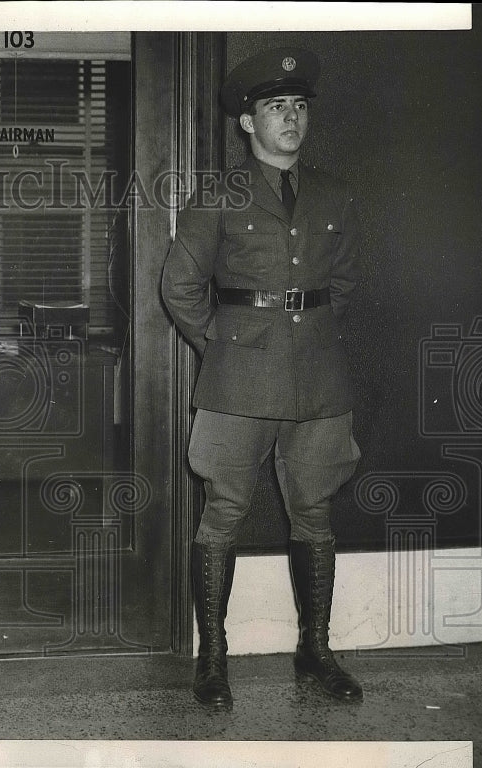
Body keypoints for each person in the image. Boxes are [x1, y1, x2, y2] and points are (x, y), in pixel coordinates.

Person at [161, 48, 363, 710]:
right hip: (238, 381)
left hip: (320, 380)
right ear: (247, 121)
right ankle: (213, 659)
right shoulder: (218, 194)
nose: (291, 119)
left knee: (314, 511)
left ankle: (316, 651)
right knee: (223, 512)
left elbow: (346, 284)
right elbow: (180, 286)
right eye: (276, 107)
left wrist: (315, 336)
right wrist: (222, 347)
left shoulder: (334, 193)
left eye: (300, 107)